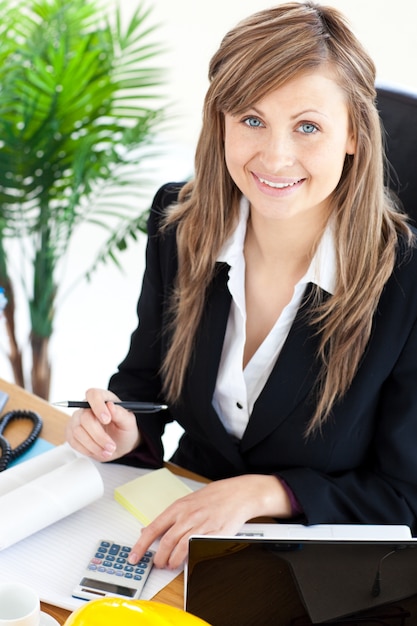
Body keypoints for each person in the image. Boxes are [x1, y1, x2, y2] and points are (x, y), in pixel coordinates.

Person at [66, 1, 417, 571]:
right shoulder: (178, 223)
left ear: (353, 133)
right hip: (177, 531)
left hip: (310, 568)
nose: (275, 157)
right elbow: (145, 383)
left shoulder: (404, 282)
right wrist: (123, 429)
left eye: (308, 126)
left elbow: (405, 497)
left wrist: (265, 492)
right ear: (222, 121)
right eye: (251, 120)